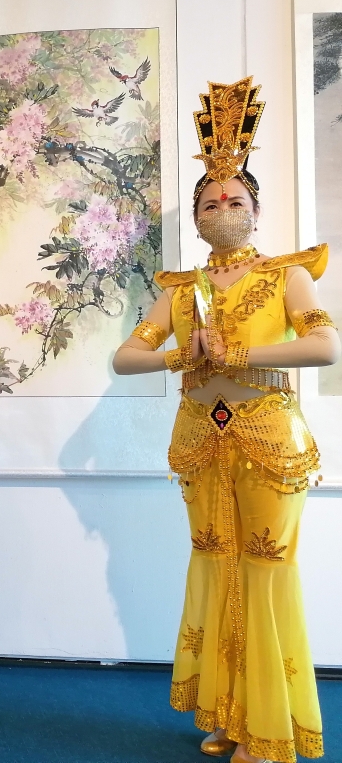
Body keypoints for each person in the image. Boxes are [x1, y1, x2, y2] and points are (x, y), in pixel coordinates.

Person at [113, 78, 338, 763]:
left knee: (266, 568)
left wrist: (241, 353)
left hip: (270, 438)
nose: (223, 209)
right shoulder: (181, 291)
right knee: (216, 566)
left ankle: (268, 728)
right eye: (210, 202)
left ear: (256, 211)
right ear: (196, 217)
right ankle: (229, 713)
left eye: (236, 200)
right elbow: (125, 358)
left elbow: (326, 346)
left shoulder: (286, 275)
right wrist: (179, 355)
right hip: (200, 440)